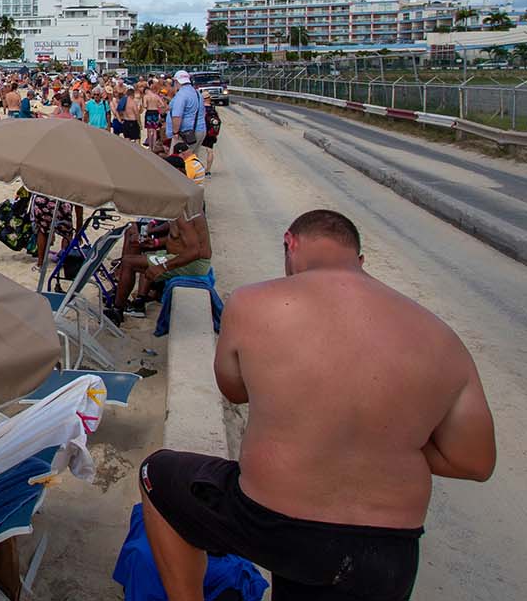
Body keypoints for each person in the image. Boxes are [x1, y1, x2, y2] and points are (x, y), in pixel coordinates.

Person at [140, 210, 496, 601]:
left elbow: (235, 390)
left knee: (157, 475)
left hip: (276, 525)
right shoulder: (441, 337)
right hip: (389, 552)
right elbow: (475, 463)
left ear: (290, 243)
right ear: (360, 262)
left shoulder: (253, 302)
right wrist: (392, 435)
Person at [109, 205, 211, 321]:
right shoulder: (182, 208)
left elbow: (194, 251)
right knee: (131, 259)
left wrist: (163, 267)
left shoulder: (184, 214)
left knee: (128, 262)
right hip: (182, 257)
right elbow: (176, 237)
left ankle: (118, 311)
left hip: (192, 263)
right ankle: (122, 307)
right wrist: (155, 243)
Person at [166, 70, 206, 157]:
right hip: (200, 130)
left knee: (177, 160)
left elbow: (177, 116)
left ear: (176, 81)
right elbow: (203, 112)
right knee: (193, 158)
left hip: (186, 134)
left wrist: (175, 132)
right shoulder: (197, 93)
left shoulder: (181, 95)